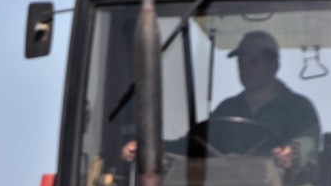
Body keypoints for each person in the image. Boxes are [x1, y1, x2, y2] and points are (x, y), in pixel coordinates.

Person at [121, 30, 320, 173]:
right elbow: (195, 145)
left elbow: (307, 144)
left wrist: (291, 154)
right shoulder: (228, 108)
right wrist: (151, 147)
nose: (245, 69)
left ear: (274, 65)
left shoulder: (298, 108)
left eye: (254, 62)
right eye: (241, 62)